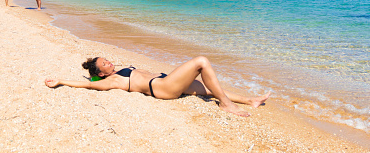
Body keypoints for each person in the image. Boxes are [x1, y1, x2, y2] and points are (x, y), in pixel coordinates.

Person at [45, 56, 270, 117]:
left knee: (209, 89)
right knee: (201, 61)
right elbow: (90, 87)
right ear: (101, 73)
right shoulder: (112, 80)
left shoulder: (116, 72)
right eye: (105, 64)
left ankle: (249, 100)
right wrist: (62, 81)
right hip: (163, 88)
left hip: (165, 81)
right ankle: (226, 105)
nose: (109, 62)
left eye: (107, 59)